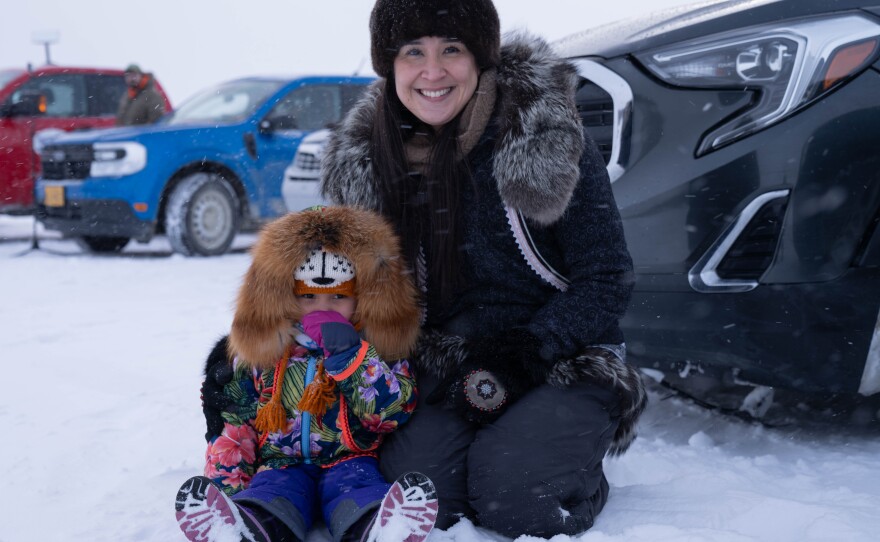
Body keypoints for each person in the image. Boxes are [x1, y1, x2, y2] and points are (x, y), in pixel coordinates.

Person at [318, 0, 648, 538]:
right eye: (412, 52)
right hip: (447, 358)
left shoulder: (542, 134)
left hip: (564, 352)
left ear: (480, 58)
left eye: (452, 48)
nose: (432, 71)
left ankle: (573, 465)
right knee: (424, 496)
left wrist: (528, 351)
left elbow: (606, 276)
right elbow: (335, 284)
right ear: (389, 64)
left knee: (514, 499)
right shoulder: (367, 161)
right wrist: (260, 345)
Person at [176, 206, 437, 542]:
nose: (322, 308)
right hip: (281, 464)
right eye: (309, 296)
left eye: (339, 297)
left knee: (359, 492)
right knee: (270, 494)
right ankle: (241, 527)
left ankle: (379, 528)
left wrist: (352, 359)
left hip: (351, 459)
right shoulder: (265, 352)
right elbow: (235, 423)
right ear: (286, 295)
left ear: (361, 298)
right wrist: (225, 487)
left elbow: (391, 415)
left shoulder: (376, 349)